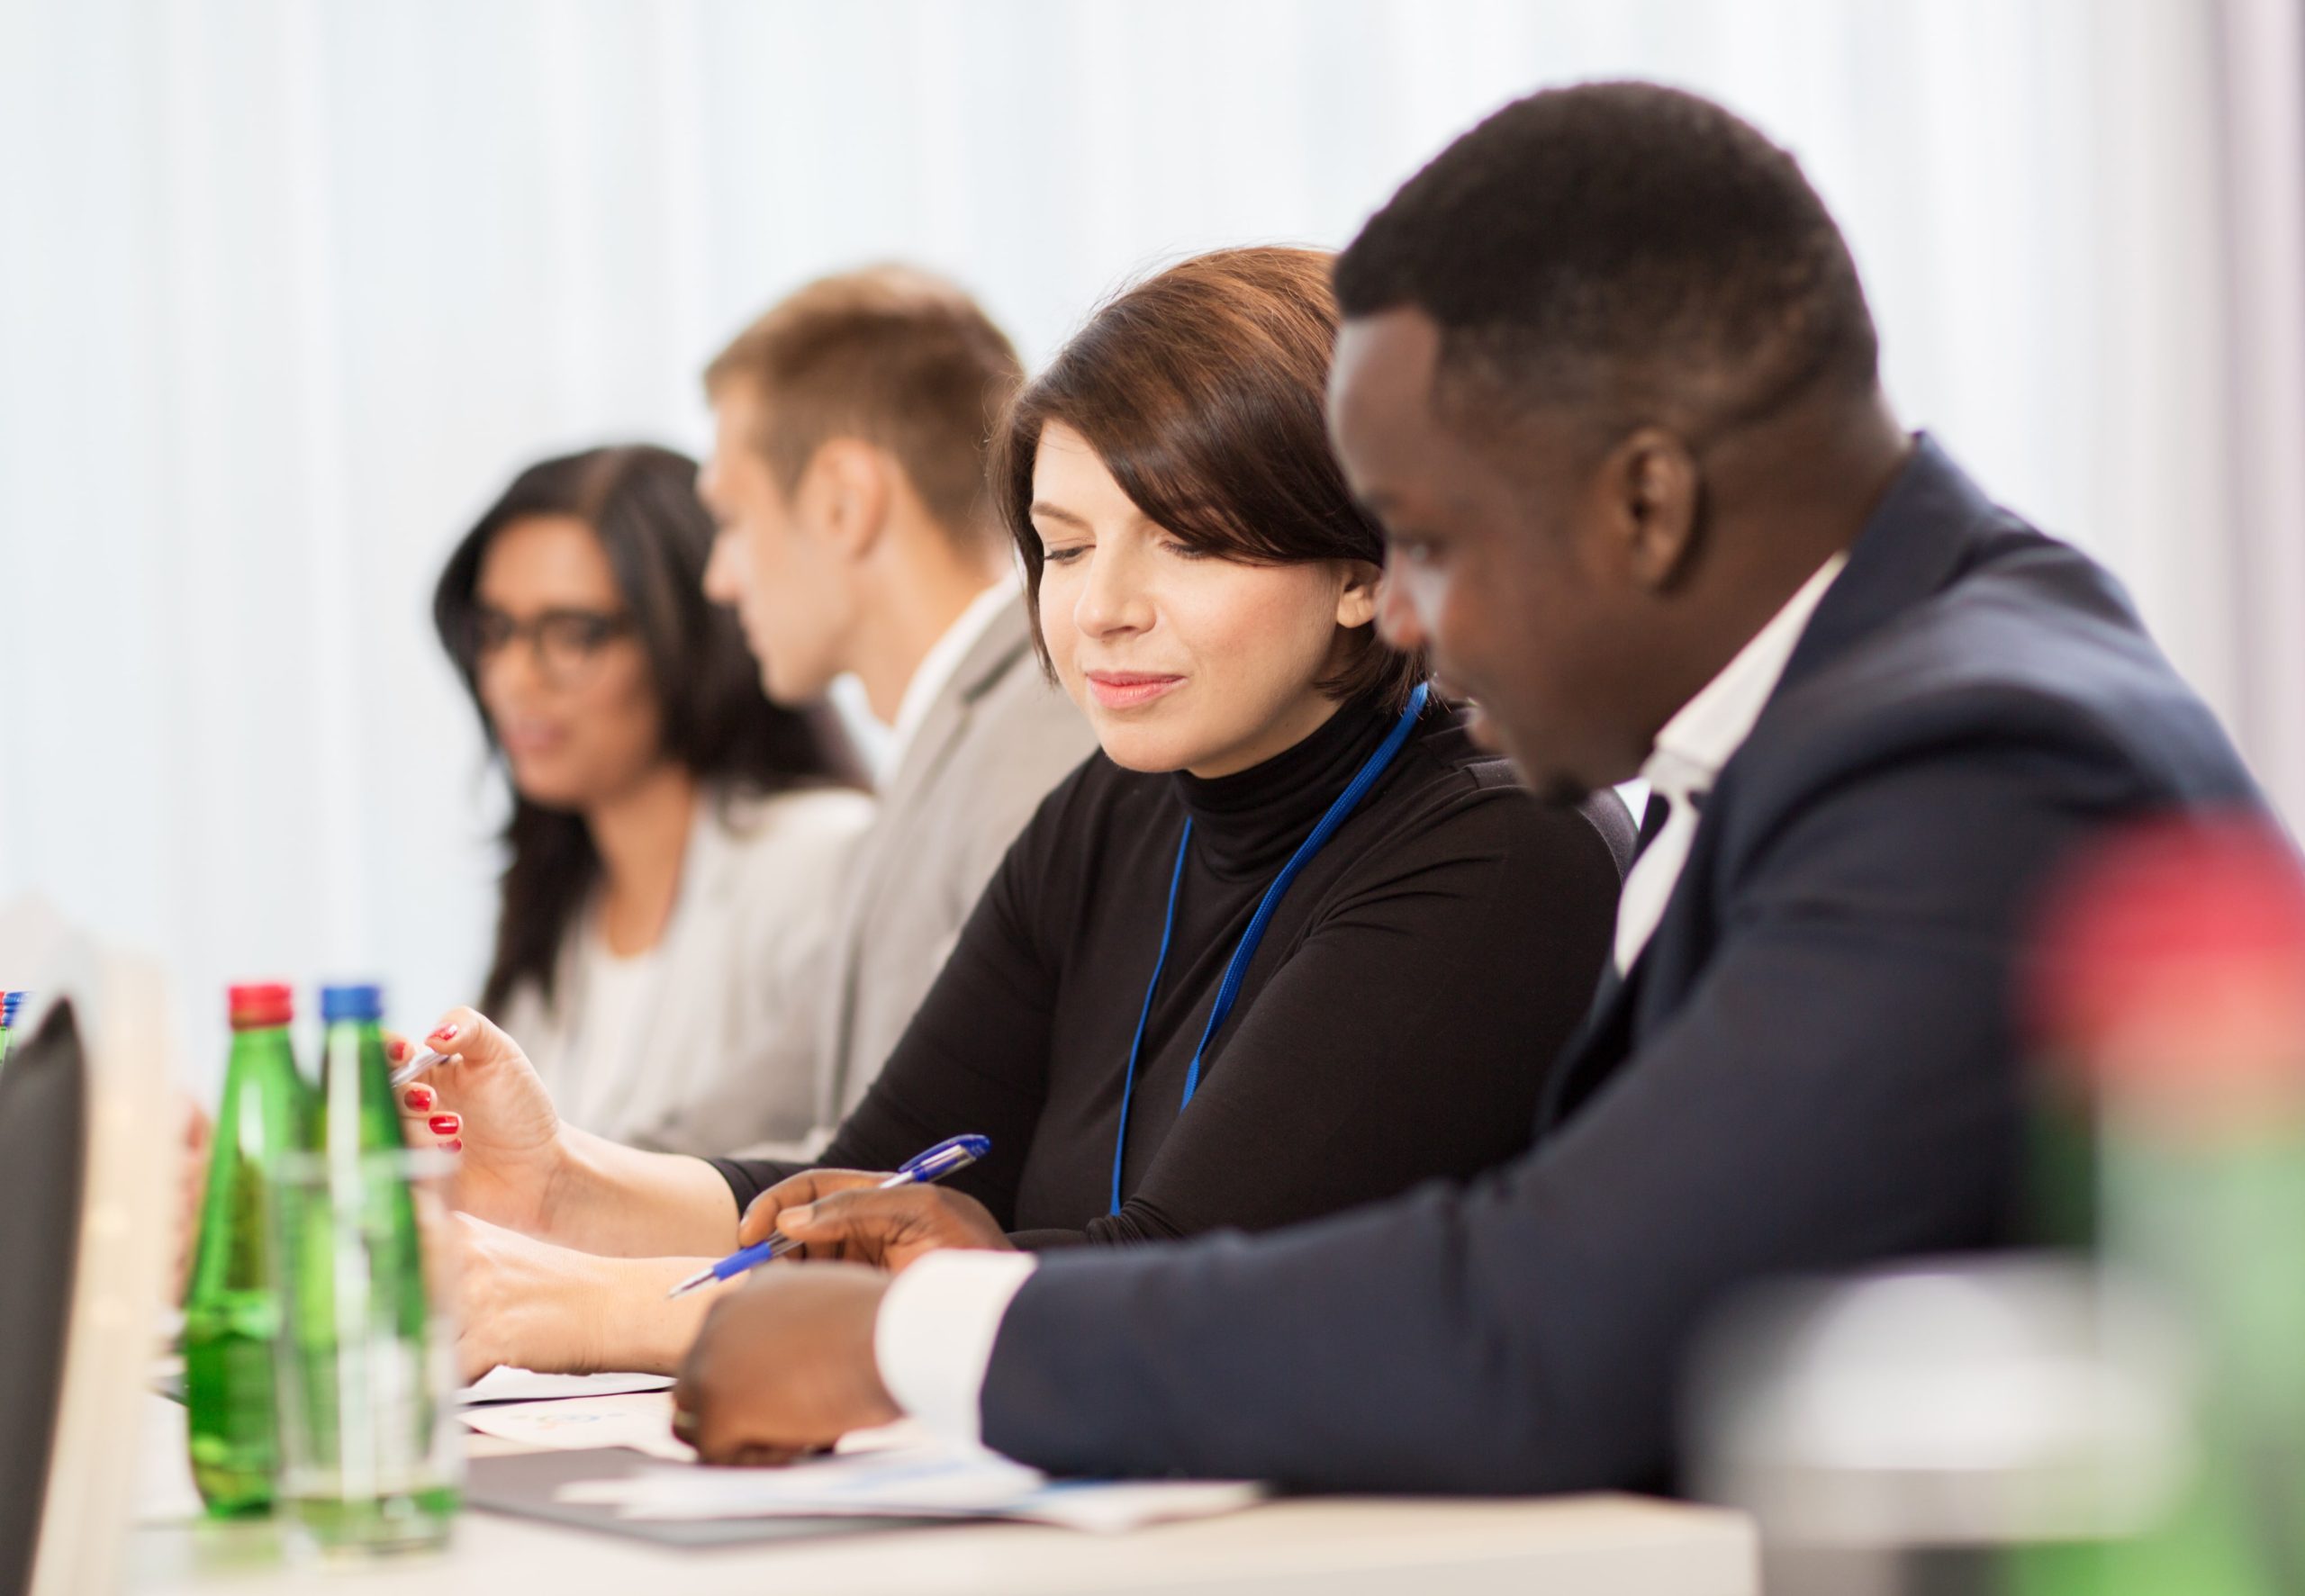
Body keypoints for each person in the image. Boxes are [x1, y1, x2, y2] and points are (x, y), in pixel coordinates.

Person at [664, 83, 2273, 1491]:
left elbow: (1549, 1319)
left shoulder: (1964, 763)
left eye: (1425, 540)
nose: (1406, 616)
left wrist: (922, 1332)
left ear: (1642, 502)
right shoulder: (1895, 687)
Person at [407, 246, 1633, 1378]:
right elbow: (873, 1177)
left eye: (1183, 545)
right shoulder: (1116, 806)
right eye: (1065, 545)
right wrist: (562, 1183)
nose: (1100, 609)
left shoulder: (1500, 846)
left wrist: (577, 1308)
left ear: (1366, 569)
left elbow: (1165, 1284)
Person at [694, 265, 1096, 1143]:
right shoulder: (950, 737)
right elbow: (786, 1081)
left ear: (843, 502)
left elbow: (949, 1143)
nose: (718, 577)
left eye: (731, 517)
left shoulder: (1042, 736)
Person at [432, 444, 871, 1153]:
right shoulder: (558, 894)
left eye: (573, 634)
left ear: (689, 638)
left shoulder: (821, 858)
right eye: (495, 631)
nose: (512, 678)